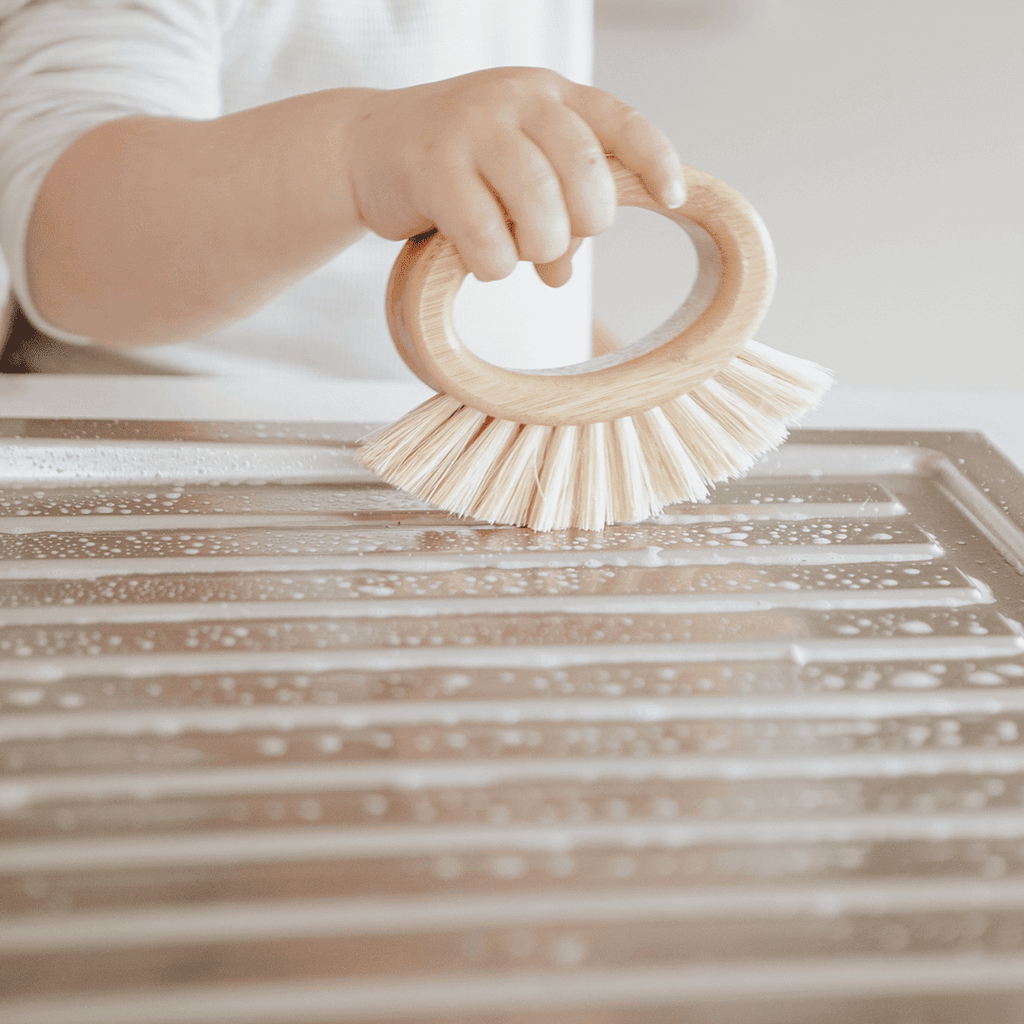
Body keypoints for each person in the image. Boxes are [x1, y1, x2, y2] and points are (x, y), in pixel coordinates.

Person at [0, 1, 683, 380]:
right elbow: (69, 252)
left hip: (478, 478)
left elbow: (490, 242)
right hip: (199, 475)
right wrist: (355, 154)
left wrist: (586, 361)